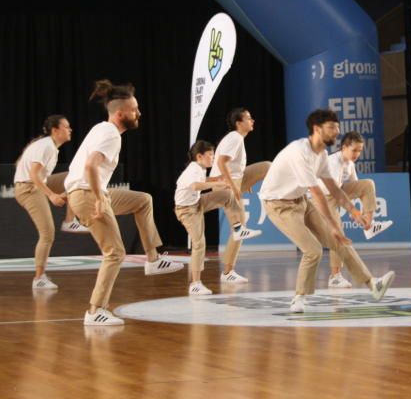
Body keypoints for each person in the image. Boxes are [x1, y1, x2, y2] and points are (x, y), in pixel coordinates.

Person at [66, 80, 183, 327]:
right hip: (87, 194)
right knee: (115, 253)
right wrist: (99, 199)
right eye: (134, 110)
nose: (138, 113)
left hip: (90, 191)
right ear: (120, 114)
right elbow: (90, 166)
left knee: (142, 200)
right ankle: (95, 310)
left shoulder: (102, 129)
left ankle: (153, 259)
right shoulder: (110, 134)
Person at [259, 108, 396, 314]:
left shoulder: (321, 154)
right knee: (313, 249)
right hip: (278, 205)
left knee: (338, 243)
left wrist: (354, 210)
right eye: (331, 127)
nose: (336, 132)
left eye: (337, 127)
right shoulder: (300, 152)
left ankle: (372, 285)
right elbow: (319, 193)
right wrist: (334, 226)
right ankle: (299, 297)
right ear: (316, 129)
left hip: (300, 200)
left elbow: (334, 188)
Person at [14, 114, 86, 292]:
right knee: (47, 234)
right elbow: (33, 174)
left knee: (74, 176)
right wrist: (51, 195)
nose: (70, 130)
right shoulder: (46, 146)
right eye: (66, 127)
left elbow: (24, 166)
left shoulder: (49, 146)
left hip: (38, 183)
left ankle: (70, 221)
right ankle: (39, 278)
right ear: (55, 130)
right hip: (29, 188)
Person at [321, 131, 392, 289]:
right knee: (337, 233)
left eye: (360, 150)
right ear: (344, 147)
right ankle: (335, 276)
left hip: (338, 193)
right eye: (354, 150)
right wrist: (354, 212)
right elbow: (333, 191)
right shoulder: (332, 162)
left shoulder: (350, 164)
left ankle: (370, 226)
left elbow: (357, 188)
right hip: (323, 198)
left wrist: (364, 216)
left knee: (367, 184)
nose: (357, 154)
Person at [174, 140, 246, 296]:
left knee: (227, 196)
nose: (213, 158)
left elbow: (202, 182)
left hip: (197, 203)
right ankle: (195, 284)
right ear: (199, 156)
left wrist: (215, 180)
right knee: (199, 243)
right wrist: (219, 184)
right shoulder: (194, 169)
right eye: (210, 155)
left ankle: (238, 228)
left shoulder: (199, 168)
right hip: (186, 210)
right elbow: (195, 186)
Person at [209, 107, 265, 284]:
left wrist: (245, 184)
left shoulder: (237, 138)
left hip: (236, 180)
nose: (252, 121)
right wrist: (234, 188)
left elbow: (235, 169)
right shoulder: (234, 138)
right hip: (224, 185)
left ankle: (228, 271)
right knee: (240, 229)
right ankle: (227, 272)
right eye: (249, 118)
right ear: (239, 123)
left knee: (267, 167)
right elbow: (221, 162)